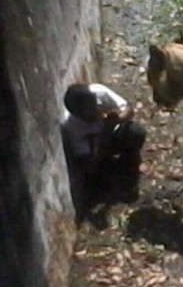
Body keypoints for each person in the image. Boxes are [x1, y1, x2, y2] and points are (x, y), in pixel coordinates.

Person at [61, 83, 146, 218]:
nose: (96, 111)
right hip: (97, 150)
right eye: (89, 111)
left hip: (112, 133)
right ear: (77, 114)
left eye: (94, 105)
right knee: (95, 179)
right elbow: (89, 164)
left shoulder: (100, 93)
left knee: (135, 132)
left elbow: (128, 109)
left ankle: (128, 167)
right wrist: (103, 137)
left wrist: (117, 119)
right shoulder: (72, 127)